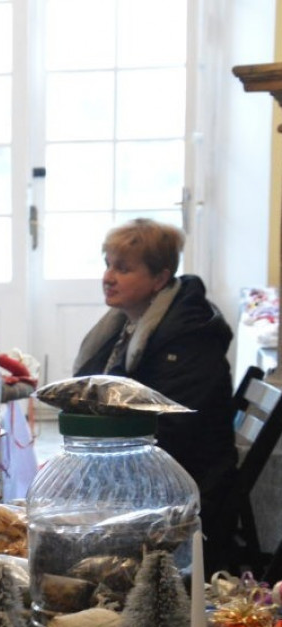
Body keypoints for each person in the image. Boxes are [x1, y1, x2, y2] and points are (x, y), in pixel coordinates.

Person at [73, 218, 238, 567]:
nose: (108, 277)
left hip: (188, 488)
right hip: (156, 470)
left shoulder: (189, 336)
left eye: (123, 268)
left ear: (159, 279)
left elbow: (173, 429)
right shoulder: (134, 322)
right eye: (107, 265)